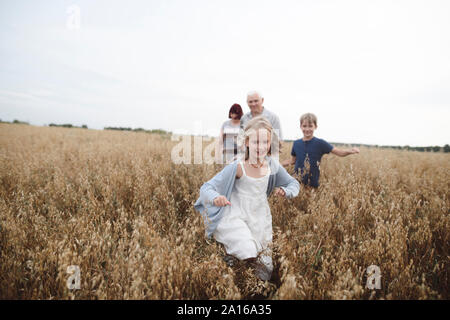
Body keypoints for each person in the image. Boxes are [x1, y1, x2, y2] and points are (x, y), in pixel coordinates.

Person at [194, 116, 300, 281]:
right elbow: (206, 187)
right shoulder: (237, 166)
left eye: (265, 142)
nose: (261, 147)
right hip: (235, 215)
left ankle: (245, 283)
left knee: (264, 269)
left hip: (260, 218)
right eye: (257, 142)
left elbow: (293, 184)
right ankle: (231, 264)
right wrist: (216, 198)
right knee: (247, 249)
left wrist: (287, 191)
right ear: (247, 142)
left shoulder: (272, 166)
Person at [281, 113, 360, 188]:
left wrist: (350, 151)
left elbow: (339, 152)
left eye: (310, 126)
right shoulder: (296, 143)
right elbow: (292, 161)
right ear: (300, 126)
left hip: (312, 184)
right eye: (304, 126)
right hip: (296, 183)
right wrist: (277, 164)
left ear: (315, 127)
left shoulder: (320, 143)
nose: (307, 129)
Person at [238, 90, 283, 156]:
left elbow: (278, 140)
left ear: (262, 100)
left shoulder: (273, 117)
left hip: (267, 155)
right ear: (247, 103)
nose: (253, 104)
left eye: (256, 101)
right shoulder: (244, 118)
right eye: (250, 102)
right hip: (248, 156)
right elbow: (241, 138)